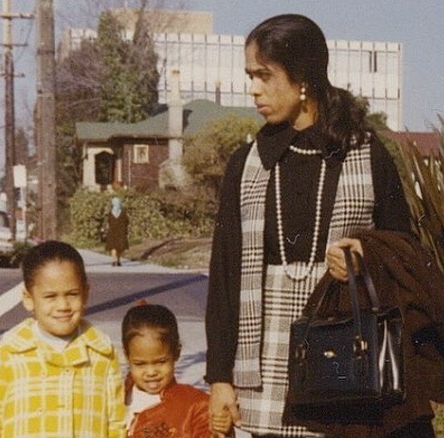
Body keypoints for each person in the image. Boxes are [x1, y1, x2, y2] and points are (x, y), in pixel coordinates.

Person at [205, 14, 415, 437]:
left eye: (264, 75)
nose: (254, 88)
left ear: (302, 77)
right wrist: (219, 378)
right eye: (251, 75)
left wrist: (365, 256)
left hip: (344, 367)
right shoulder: (245, 164)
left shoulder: (367, 155)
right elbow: (224, 277)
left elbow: (408, 252)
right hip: (259, 370)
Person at [0, 240, 125, 437]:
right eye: (50, 296)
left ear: (85, 294)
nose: (63, 306)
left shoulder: (102, 354)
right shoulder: (8, 355)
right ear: (28, 298)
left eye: (72, 294)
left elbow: (116, 425)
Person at [122, 302, 233, 437]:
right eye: (140, 364)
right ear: (127, 356)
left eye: (161, 362)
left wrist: (220, 430)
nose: (151, 372)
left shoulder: (195, 406)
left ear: (176, 353)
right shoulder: (114, 396)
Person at [105, 196, 130, 267]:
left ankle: (113, 260)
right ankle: (118, 260)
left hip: (112, 232)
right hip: (121, 232)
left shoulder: (110, 213)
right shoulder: (123, 213)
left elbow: (108, 222)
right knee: (119, 247)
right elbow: (127, 222)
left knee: (113, 247)